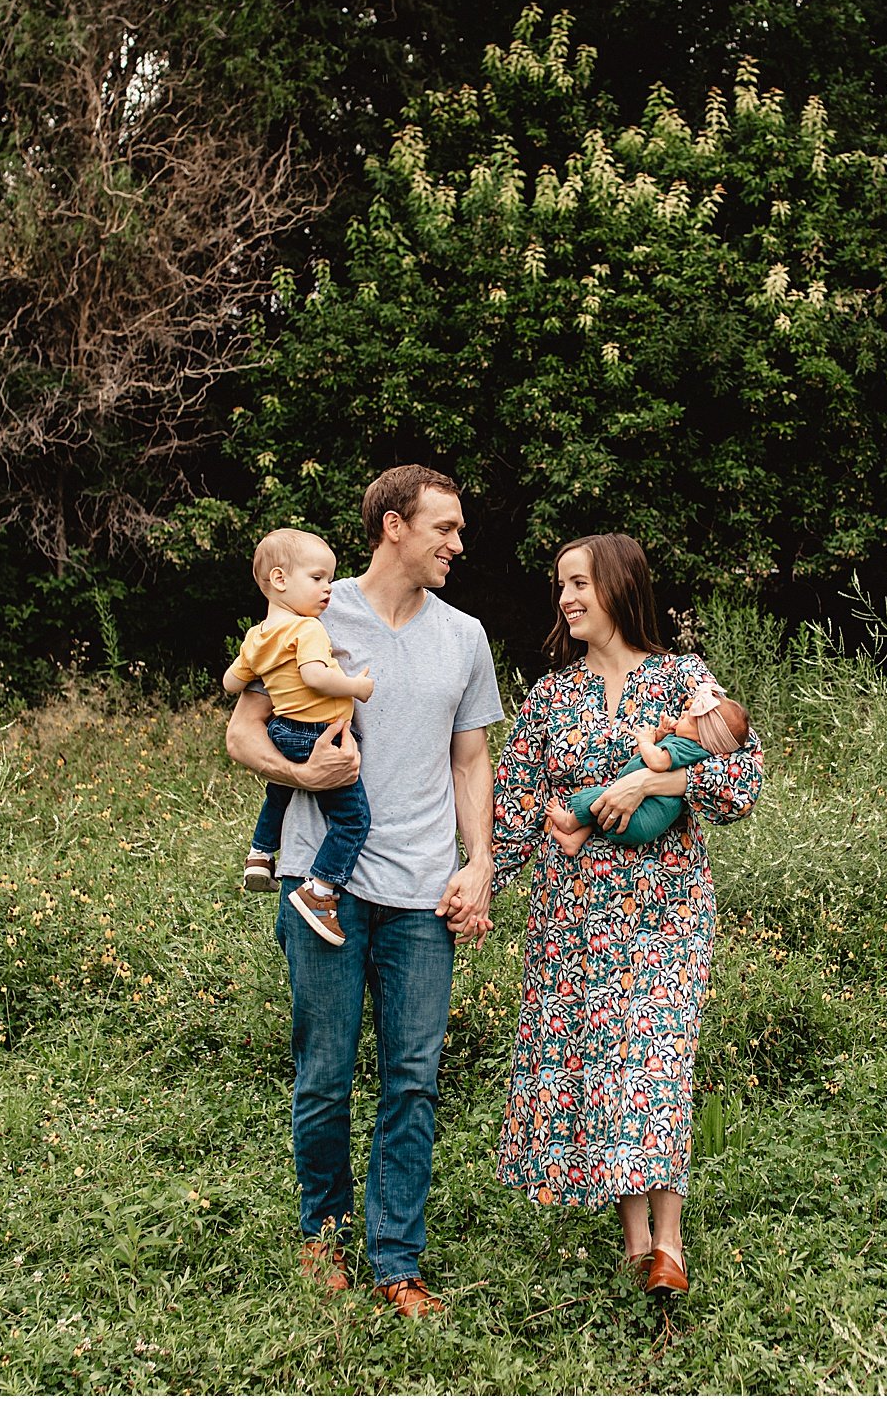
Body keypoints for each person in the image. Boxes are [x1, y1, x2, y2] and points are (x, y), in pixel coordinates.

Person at [225, 466, 502, 1318]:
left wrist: (479, 862)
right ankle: (326, 1239)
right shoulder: (312, 608)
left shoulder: (466, 635)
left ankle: (396, 1261)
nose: (458, 543)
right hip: (325, 886)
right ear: (393, 526)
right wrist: (299, 770)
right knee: (325, 1072)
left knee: (413, 1080)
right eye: (443, 528)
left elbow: (470, 759)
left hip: (424, 892)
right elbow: (241, 731)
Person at [487, 533, 764, 1297]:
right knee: (611, 1070)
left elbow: (740, 780)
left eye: (579, 583)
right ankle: (636, 1241)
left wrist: (650, 785)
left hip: (666, 908)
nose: (566, 598)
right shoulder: (550, 696)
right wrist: (477, 887)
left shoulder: (682, 677)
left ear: (616, 584)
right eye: (560, 586)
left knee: (659, 1060)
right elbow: (514, 811)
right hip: (575, 916)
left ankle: (669, 1241)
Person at [224, 527, 376, 946]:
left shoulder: (256, 637)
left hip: (283, 731)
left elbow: (230, 683)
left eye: (330, 578)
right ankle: (320, 890)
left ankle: (259, 854)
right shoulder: (307, 628)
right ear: (279, 580)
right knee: (352, 819)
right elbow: (314, 675)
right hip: (316, 734)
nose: (328, 588)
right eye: (318, 578)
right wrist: (355, 688)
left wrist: (262, 670)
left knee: (280, 790)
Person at [544, 679, 751, 855]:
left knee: (599, 797)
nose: (683, 713)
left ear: (703, 737)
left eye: (688, 718)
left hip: (639, 818)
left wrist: (645, 741)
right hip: (641, 819)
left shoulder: (689, 748)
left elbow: (657, 762)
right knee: (604, 807)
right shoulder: (690, 746)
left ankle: (569, 822)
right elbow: (662, 755)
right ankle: (575, 840)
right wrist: (662, 734)